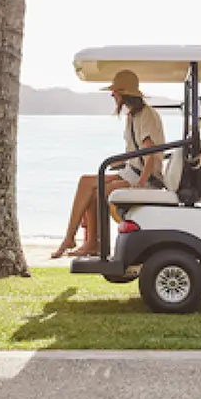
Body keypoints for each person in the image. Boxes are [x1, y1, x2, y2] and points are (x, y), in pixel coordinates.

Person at [52, 70, 165, 258]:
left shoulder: (146, 115)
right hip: (132, 171)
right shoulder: (133, 116)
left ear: (125, 93)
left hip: (145, 177)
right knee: (85, 182)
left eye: (115, 91)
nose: (112, 95)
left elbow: (149, 152)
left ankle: (91, 243)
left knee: (98, 191)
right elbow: (137, 151)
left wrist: (142, 181)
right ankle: (72, 237)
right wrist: (122, 161)